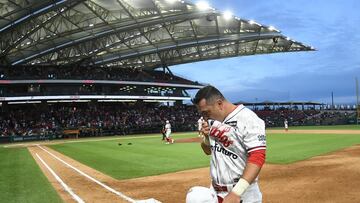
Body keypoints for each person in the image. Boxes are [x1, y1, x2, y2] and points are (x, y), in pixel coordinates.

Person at [191, 85, 266, 203]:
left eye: (207, 112)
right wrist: (206, 137)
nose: (205, 117)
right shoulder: (212, 120)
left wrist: (237, 192)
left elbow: (257, 157)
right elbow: (207, 151)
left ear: (219, 103)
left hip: (242, 194)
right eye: (202, 114)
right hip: (215, 192)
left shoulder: (248, 118)